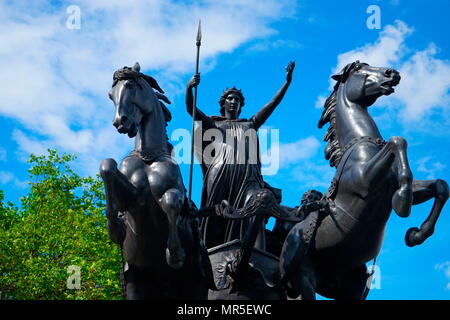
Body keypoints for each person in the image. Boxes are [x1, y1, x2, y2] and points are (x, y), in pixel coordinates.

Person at [185, 61, 295, 249]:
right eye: (230, 98)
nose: (233, 102)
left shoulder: (250, 124)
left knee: (255, 206)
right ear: (223, 103)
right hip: (220, 177)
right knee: (216, 219)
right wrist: (189, 88)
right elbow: (191, 110)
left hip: (246, 178)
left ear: (241, 105)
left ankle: (253, 252)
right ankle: (210, 253)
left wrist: (286, 83)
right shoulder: (214, 124)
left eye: (237, 100)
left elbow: (272, 104)